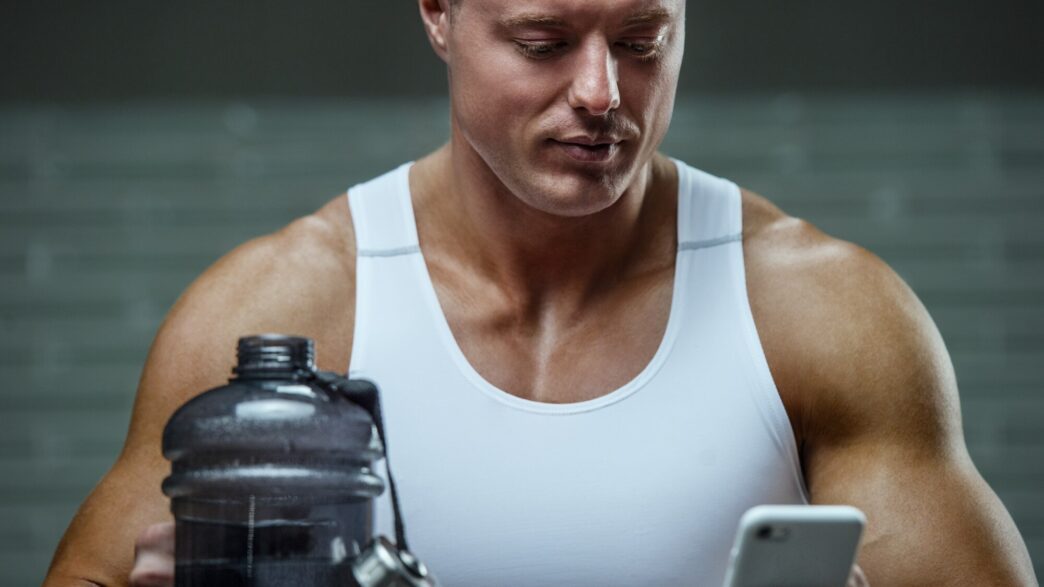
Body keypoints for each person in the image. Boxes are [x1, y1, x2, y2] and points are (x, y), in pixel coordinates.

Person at [45, 0, 1037, 585]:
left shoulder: (818, 310)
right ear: (440, 11)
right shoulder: (287, 308)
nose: (603, 93)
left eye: (642, 39)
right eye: (544, 39)